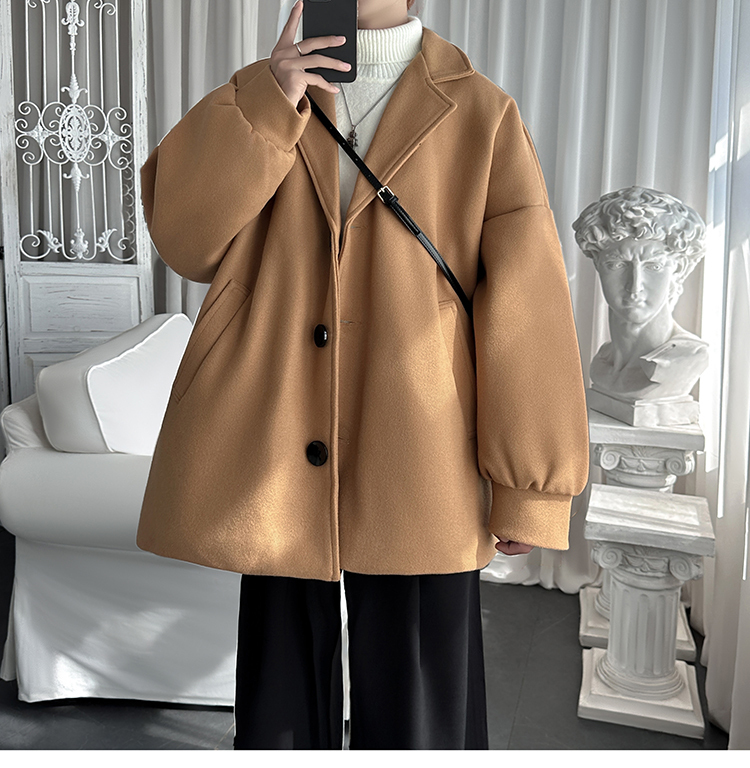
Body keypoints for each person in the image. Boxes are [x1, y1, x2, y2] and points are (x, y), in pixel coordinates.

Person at [135, 0, 590, 751]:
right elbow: (184, 240)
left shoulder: (481, 113)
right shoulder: (265, 93)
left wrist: (529, 488)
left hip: (424, 445)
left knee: (422, 708)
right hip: (277, 442)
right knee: (281, 704)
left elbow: (526, 308)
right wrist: (269, 100)